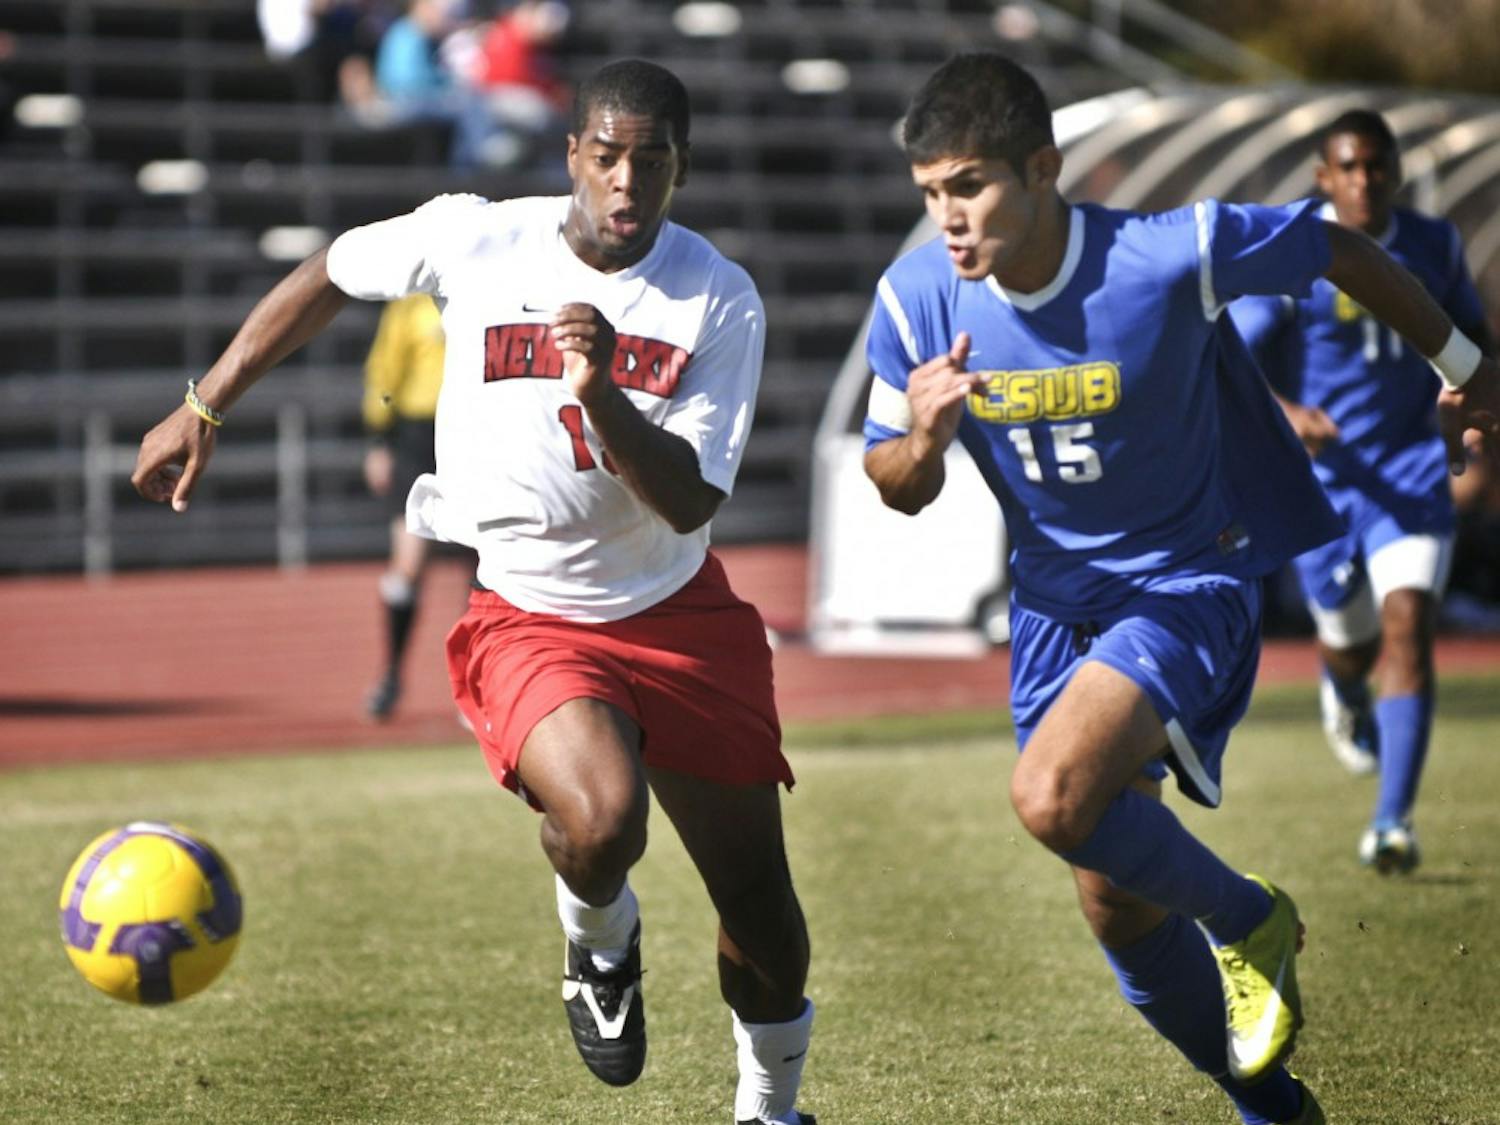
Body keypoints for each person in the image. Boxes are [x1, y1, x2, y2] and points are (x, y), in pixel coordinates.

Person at [131, 59, 815, 1125]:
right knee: (600, 823)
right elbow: (330, 271)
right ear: (572, 153)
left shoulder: (718, 295)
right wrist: (204, 406)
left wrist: (602, 400)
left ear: (683, 166)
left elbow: (687, 500)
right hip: (531, 613)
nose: (627, 182)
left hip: (677, 612)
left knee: (765, 916)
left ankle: (771, 1111)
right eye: (607, 155)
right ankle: (600, 945)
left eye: (653, 160)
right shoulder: (479, 234)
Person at [862, 53, 1498, 1125]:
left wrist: (1469, 367)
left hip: (1188, 584)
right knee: (1113, 900)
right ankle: (1272, 1110)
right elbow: (895, 485)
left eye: (968, 185)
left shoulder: (1164, 253)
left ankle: (1248, 916)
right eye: (931, 194)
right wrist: (921, 440)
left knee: (1051, 797)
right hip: (1053, 616)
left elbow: (1336, 247)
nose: (949, 219)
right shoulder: (914, 296)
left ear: (1044, 169)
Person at [1230, 110, 1494, 874]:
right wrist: (1289, 413)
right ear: (1323, 177)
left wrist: (1471, 414)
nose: (1364, 180)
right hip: (1324, 482)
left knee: (1409, 622)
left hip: (1411, 468)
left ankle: (1392, 823)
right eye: (1348, 167)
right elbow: (1233, 359)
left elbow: (1475, 346)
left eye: (1377, 166)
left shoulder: (1434, 244)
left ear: (1395, 172)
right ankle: (1344, 691)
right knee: (1353, 645)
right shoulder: (1293, 247)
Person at [361, 293, 446, 721]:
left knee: (489, 567)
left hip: (479, 434)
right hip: (418, 438)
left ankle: (484, 685)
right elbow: (385, 373)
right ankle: (391, 675)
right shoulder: (411, 305)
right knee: (408, 566)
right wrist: (381, 439)